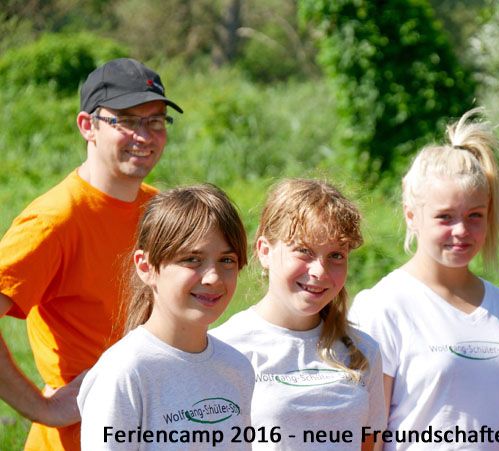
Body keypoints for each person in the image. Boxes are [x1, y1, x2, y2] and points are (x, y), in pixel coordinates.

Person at [0, 57, 182, 450]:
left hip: (151, 426)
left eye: (155, 121)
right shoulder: (54, 220)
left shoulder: (158, 209)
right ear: (88, 126)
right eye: (127, 121)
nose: (144, 135)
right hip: (78, 436)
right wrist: (43, 408)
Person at [349, 108, 499, 450]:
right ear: (411, 216)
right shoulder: (381, 308)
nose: (461, 231)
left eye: (475, 216)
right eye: (445, 217)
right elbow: (367, 440)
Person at [211, 178, 386, 451]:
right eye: (304, 251)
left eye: (336, 255)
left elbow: (369, 444)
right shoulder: (225, 350)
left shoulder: (363, 350)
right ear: (265, 251)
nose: (320, 271)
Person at [77, 184, 255, 450]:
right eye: (192, 259)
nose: (213, 277)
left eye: (227, 260)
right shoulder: (124, 373)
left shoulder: (237, 367)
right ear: (146, 266)